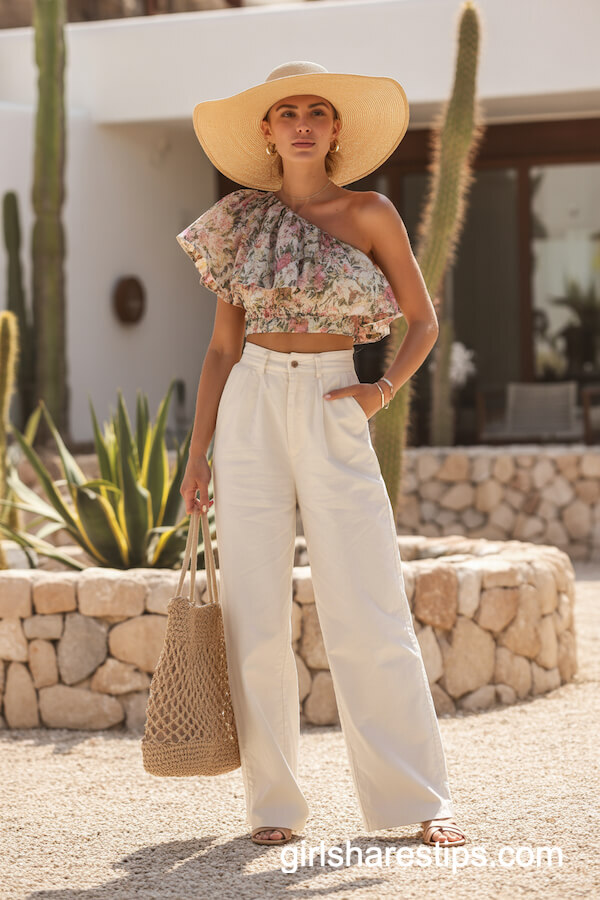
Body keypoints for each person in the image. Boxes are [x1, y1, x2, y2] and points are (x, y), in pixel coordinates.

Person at [177, 60, 466, 849]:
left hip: (338, 400)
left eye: (317, 111)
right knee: (256, 616)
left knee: (368, 603)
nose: (302, 122)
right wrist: (195, 455)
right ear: (268, 134)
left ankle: (415, 800)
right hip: (252, 406)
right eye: (286, 113)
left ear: (336, 130)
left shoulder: (371, 212)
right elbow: (219, 349)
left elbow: (422, 321)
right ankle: (274, 806)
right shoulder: (238, 223)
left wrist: (380, 393)